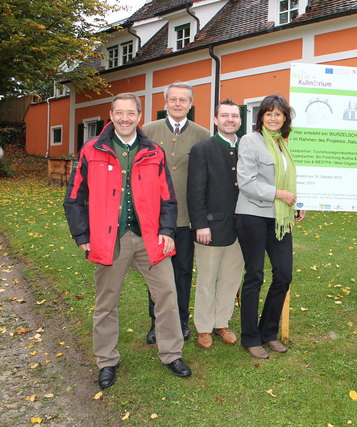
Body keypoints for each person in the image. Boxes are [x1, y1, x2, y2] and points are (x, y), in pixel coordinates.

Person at [63, 93, 192, 389]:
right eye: (119, 112)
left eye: (130, 113)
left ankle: (171, 353)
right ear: (111, 114)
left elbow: (168, 199)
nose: (124, 118)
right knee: (106, 303)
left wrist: (167, 231)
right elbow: (74, 198)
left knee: (167, 297)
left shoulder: (154, 152)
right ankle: (106, 360)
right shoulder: (92, 150)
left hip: (149, 238)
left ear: (139, 115)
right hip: (110, 241)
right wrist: (82, 235)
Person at [235, 94, 305, 359]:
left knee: (284, 274)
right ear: (261, 117)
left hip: (279, 218)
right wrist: (279, 194)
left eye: (279, 114)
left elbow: (288, 180)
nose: (274, 118)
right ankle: (250, 337)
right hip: (252, 215)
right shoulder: (250, 141)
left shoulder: (283, 144)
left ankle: (269, 332)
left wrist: (296, 202)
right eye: (269, 113)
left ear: (285, 117)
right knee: (255, 276)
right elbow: (246, 181)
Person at [142, 82, 211, 344]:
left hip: (185, 217)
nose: (178, 104)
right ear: (165, 102)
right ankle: (156, 322)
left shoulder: (202, 135)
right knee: (156, 274)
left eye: (183, 100)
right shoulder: (147, 132)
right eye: (173, 99)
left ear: (191, 104)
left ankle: (180, 320)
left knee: (182, 272)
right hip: (153, 218)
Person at [187, 99, 244, 349]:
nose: (230, 119)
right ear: (215, 119)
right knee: (207, 279)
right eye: (225, 115)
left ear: (240, 120)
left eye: (234, 116)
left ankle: (222, 322)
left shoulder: (247, 148)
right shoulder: (203, 149)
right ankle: (203, 327)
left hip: (241, 226)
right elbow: (195, 191)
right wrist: (200, 224)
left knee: (231, 278)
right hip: (210, 227)